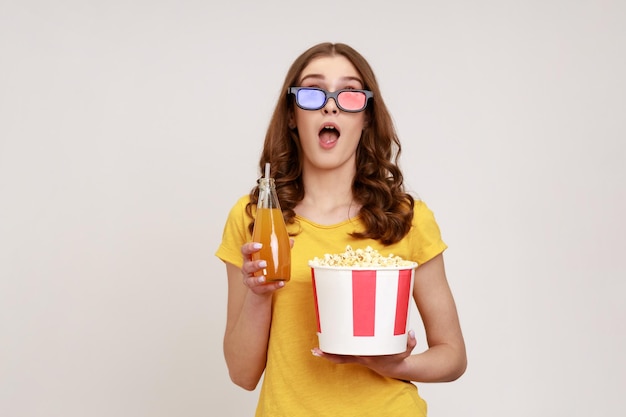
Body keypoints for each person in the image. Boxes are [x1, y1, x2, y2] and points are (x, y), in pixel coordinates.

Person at [215, 42, 467, 417]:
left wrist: (392, 366)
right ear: (291, 114)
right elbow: (242, 374)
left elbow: (453, 355)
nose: (330, 105)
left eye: (348, 94)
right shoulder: (256, 219)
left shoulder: (405, 218)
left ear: (365, 116)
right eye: (313, 93)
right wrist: (259, 294)